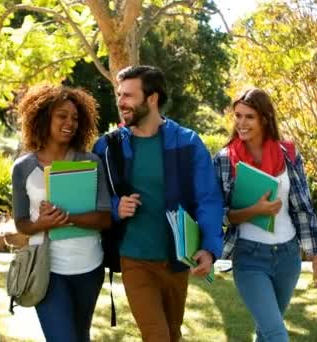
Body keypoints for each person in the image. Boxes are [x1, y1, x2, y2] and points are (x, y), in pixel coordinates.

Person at [92, 65, 224, 342]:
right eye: (119, 95)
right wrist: (116, 206)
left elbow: (208, 199)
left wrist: (209, 249)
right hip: (134, 258)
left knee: (171, 334)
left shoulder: (188, 143)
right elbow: (93, 194)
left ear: (151, 98)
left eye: (128, 95)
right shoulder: (107, 147)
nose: (120, 102)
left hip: (176, 260)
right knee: (157, 336)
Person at [213, 88, 317, 342]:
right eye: (238, 116)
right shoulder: (225, 159)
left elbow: (303, 207)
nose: (241, 123)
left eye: (249, 117)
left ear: (265, 119)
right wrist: (253, 211)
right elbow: (218, 214)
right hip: (249, 257)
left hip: (288, 257)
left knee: (266, 332)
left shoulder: (288, 154)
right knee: (277, 334)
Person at [11, 84, 112, 342]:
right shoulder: (23, 167)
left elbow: (104, 217)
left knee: (80, 336)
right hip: (47, 270)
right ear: (43, 117)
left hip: (89, 268)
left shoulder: (90, 162)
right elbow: (22, 223)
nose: (70, 123)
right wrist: (41, 223)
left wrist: (65, 217)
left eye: (76, 118)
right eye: (62, 116)